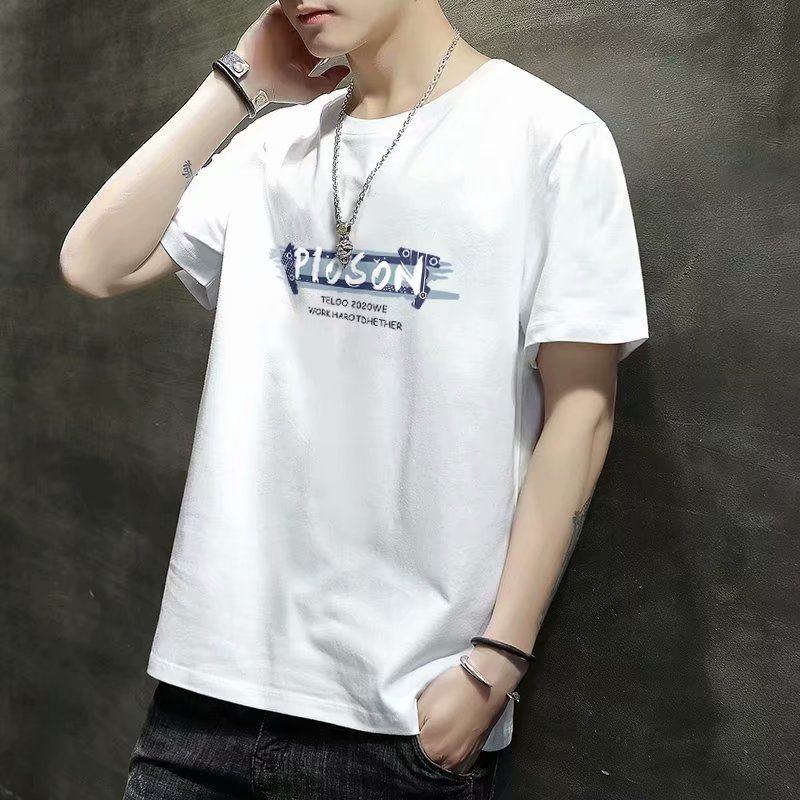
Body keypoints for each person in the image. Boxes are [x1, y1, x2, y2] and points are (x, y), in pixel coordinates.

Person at [60, 1, 649, 797]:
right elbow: (94, 264)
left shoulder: (550, 139)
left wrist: (497, 663)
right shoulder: (273, 145)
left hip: (402, 718)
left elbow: (583, 409)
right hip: (205, 699)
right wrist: (239, 86)